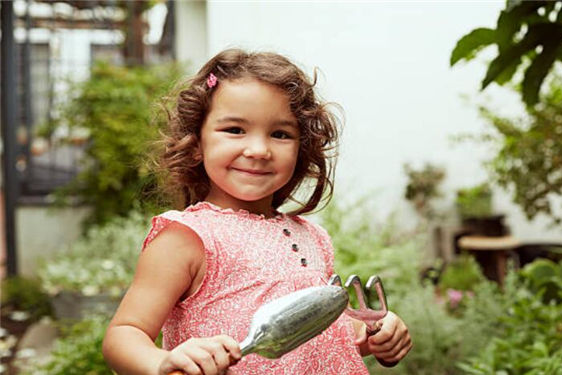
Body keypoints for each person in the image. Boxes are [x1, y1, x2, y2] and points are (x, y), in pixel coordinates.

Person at [102, 48, 412, 375]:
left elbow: (314, 334)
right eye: (235, 130)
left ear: (301, 147)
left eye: (280, 134)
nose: (259, 150)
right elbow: (123, 335)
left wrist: (370, 336)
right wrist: (162, 362)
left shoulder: (312, 236)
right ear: (196, 144)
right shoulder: (188, 237)